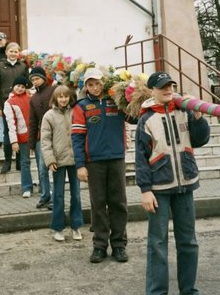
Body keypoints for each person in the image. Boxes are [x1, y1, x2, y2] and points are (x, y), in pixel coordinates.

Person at [135, 71, 211, 295]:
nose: (168, 90)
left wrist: (198, 117)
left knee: (188, 242)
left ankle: (189, 290)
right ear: (153, 91)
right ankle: (157, 292)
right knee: (157, 244)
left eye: (171, 85)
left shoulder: (185, 111)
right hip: (159, 189)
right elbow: (141, 157)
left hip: (185, 185)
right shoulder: (146, 119)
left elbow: (200, 139)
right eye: (162, 87)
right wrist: (145, 190)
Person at [71, 67, 130, 264]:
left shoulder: (117, 100)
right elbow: (77, 138)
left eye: (98, 83)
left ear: (104, 82)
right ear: (85, 86)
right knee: (98, 205)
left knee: (118, 203)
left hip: (116, 158)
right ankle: (99, 246)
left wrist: (131, 94)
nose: (95, 87)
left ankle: (119, 245)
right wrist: (80, 165)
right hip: (93, 162)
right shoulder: (81, 107)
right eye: (90, 84)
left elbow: (136, 117)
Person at [41, 85, 84, 242]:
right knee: (58, 195)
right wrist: (50, 159)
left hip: (75, 159)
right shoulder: (49, 116)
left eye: (66, 96)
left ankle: (76, 226)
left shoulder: (76, 112)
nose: (63, 99)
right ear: (55, 98)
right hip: (57, 161)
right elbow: (45, 141)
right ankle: (58, 228)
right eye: (60, 97)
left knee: (77, 194)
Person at [0, 42, 29, 173]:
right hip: (6, 104)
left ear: (19, 54)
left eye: (16, 52)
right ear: (6, 52)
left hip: (20, 105)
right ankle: (7, 161)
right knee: (7, 133)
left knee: (20, 131)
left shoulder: (23, 66)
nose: (13, 54)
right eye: (11, 51)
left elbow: (27, 85)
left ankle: (19, 161)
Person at [3, 75, 34, 198]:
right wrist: (14, 141)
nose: (20, 88)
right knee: (25, 162)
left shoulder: (31, 98)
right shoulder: (9, 103)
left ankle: (46, 188)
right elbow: (11, 123)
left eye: (22, 86)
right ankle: (27, 188)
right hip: (22, 137)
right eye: (18, 86)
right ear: (13, 86)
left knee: (42, 163)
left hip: (36, 134)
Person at [28, 66, 54, 210]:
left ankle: (56, 197)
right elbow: (32, 121)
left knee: (55, 167)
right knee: (42, 169)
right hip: (40, 138)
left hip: (55, 136)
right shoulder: (33, 98)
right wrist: (31, 143)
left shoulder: (54, 91)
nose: (35, 82)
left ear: (44, 78)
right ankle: (45, 195)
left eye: (37, 78)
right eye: (32, 80)